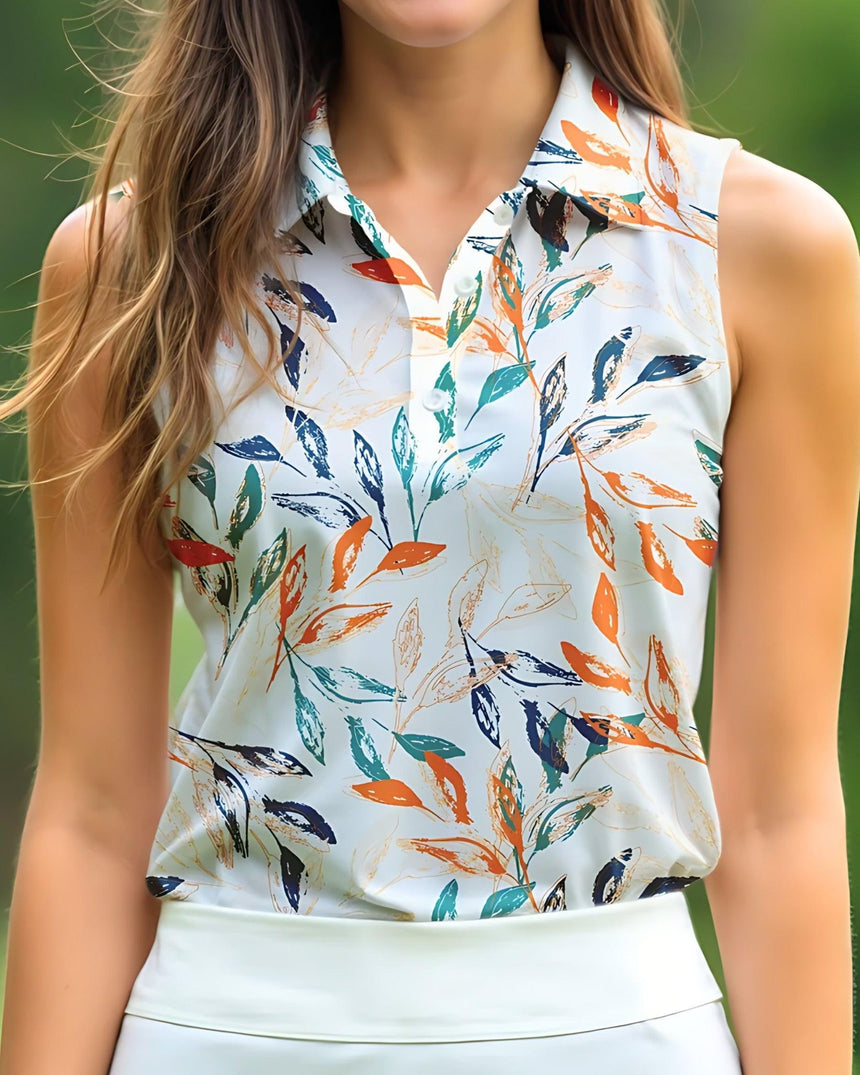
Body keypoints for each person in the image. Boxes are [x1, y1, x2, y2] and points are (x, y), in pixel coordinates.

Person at [0, 0, 857, 1072]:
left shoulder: (752, 246)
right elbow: (90, 808)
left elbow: (776, 812)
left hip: (617, 1035)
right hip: (223, 1032)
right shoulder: (138, 260)